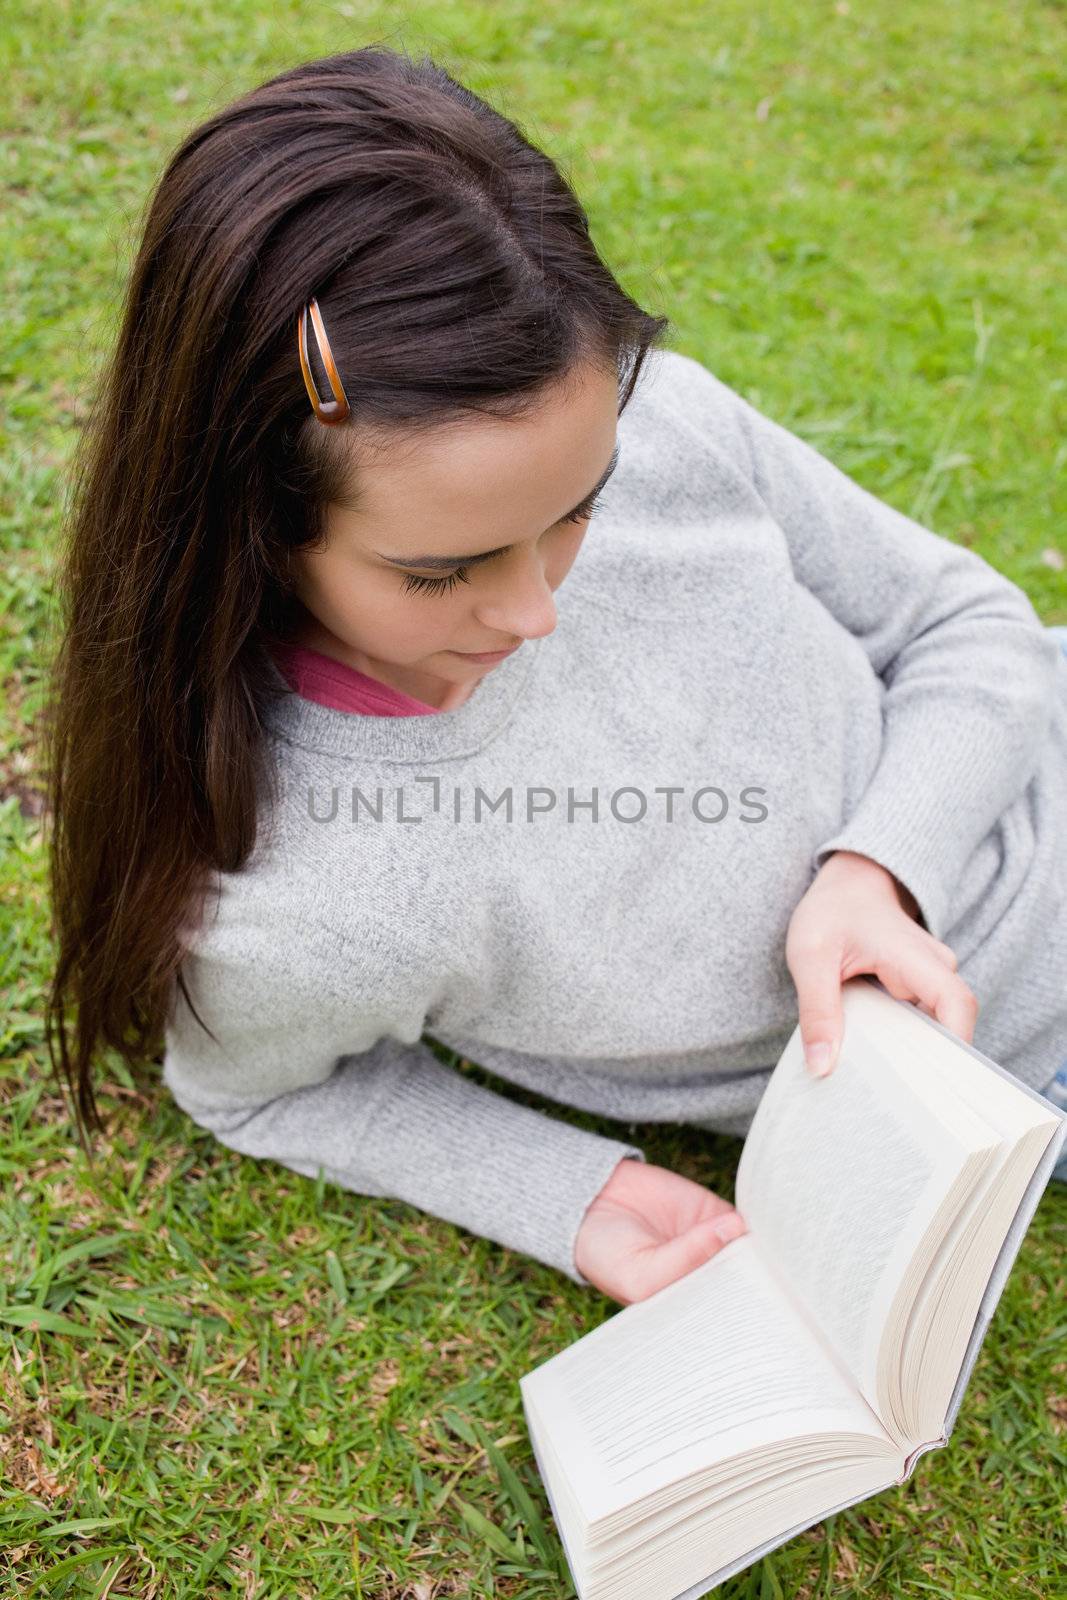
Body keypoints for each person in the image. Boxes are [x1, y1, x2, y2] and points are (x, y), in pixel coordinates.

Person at [43, 45, 1067, 1311]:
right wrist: (568, 1193)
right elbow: (247, 1086)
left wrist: (876, 866)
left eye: (579, 507)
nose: (537, 608)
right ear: (249, 520)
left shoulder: (664, 423)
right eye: (440, 571)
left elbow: (966, 622)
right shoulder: (299, 908)